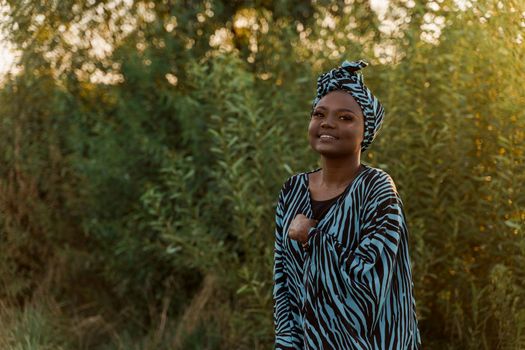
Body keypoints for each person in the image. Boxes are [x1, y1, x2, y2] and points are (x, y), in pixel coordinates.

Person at [272, 59, 421, 349]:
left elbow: (369, 284)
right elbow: (283, 286)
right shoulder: (292, 191)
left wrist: (311, 236)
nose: (328, 123)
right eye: (319, 113)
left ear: (366, 130)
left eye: (345, 118)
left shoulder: (376, 191)